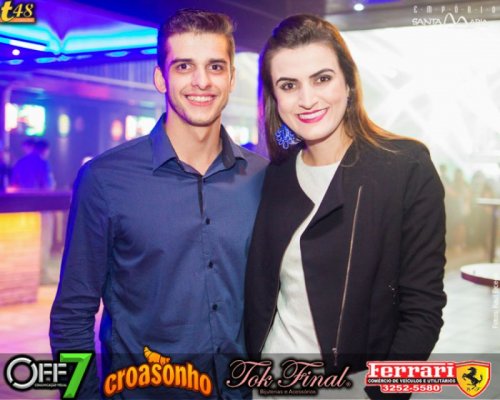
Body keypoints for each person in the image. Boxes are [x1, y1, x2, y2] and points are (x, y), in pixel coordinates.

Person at [50, 9, 267, 399]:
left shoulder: (262, 178)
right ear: (160, 78)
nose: (202, 81)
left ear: (232, 78)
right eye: (184, 66)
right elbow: (72, 314)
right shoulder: (105, 179)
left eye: (215, 66)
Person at [244, 15, 446, 399]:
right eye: (289, 85)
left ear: (349, 82)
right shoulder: (274, 176)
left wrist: (382, 393)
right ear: (274, 97)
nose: (307, 99)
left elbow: (423, 308)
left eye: (322, 78)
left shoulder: (404, 167)